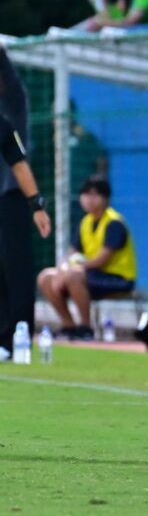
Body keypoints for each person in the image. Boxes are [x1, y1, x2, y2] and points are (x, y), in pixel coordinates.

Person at [37, 176, 136, 339]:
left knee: (74, 275)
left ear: (106, 199)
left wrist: (70, 271)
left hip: (117, 278)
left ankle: (85, 327)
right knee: (46, 277)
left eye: (95, 194)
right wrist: (62, 269)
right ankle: (68, 325)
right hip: (90, 275)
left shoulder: (114, 223)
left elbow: (101, 260)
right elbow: (71, 253)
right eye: (86, 194)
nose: (89, 199)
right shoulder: (85, 222)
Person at [0, 114, 52, 358]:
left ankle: (11, 340)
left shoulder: (3, 126)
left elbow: (19, 164)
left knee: (12, 271)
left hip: (6, 204)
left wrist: (36, 205)